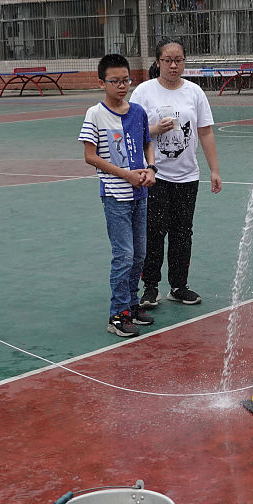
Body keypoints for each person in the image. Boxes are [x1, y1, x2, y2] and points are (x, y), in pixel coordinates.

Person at [131, 39, 220, 309]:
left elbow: (205, 131)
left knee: (183, 232)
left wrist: (214, 169)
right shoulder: (144, 92)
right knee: (154, 231)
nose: (173, 65)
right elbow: (133, 133)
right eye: (168, 60)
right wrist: (154, 129)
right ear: (158, 61)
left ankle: (179, 285)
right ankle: (150, 287)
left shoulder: (194, 92)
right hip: (155, 176)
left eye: (178, 60)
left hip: (187, 176)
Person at [80, 54, 155, 337]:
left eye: (126, 80)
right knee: (123, 255)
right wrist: (126, 174)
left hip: (141, 193)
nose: (122, 86)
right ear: (102, 83)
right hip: (115, 194)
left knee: (140, 254)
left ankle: (133, 304)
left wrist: (150, 168)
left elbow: (148, 143)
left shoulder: (137, 111)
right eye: (115, 81)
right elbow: (90, 156)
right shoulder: (95, 114)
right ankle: (118, 314)